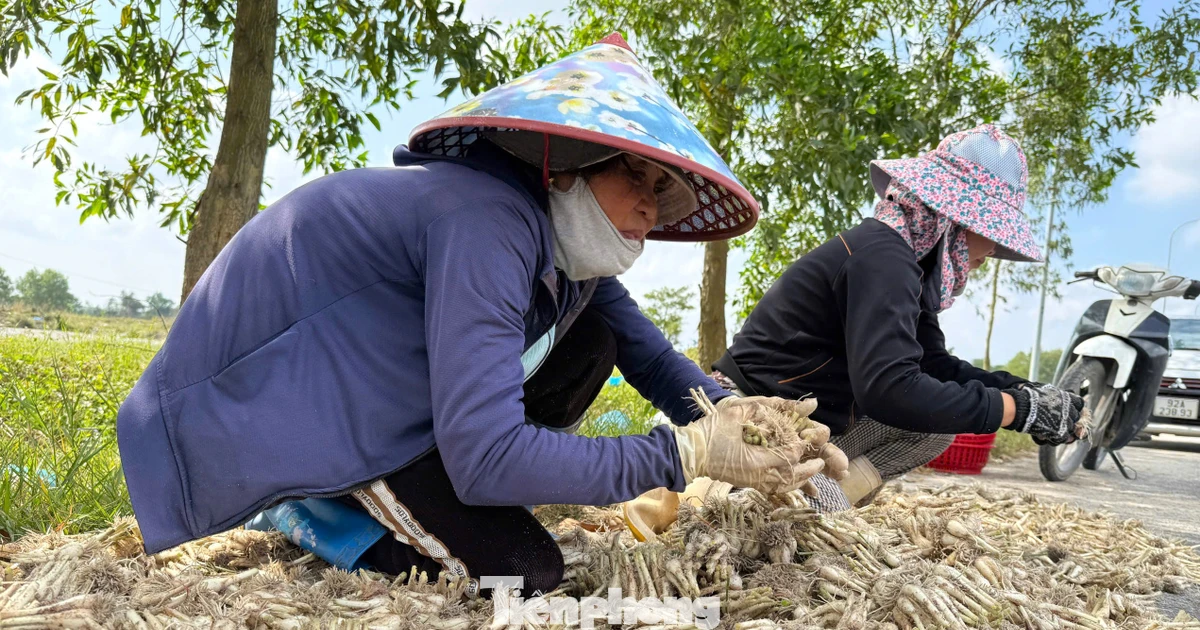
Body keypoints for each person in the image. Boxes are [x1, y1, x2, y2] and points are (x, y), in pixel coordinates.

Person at [115, 34, 845, 597]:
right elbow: (487, 456)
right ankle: (316, 500)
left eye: (662, 185)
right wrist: (687, 455)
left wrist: (758, 423)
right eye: (634, 173)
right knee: (521, 572)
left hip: (381, 389)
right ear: (564, 162)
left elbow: (652, 360)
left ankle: (416, 488)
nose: (652, 203)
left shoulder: (560, 248)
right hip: (278, 409)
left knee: (592, 338)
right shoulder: (485, 221)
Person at [711, 124, 1086, 512]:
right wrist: (1015, 411)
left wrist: (1024, 392)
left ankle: (823, 500)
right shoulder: (883, 260)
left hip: (803, 424)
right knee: (923, 413)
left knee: (939, 420)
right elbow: (890, 389)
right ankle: (796, 502)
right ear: (951, 219)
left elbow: (932, 366)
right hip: (749, 418)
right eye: (988, 231)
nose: (990, 249)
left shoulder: (905, 264)